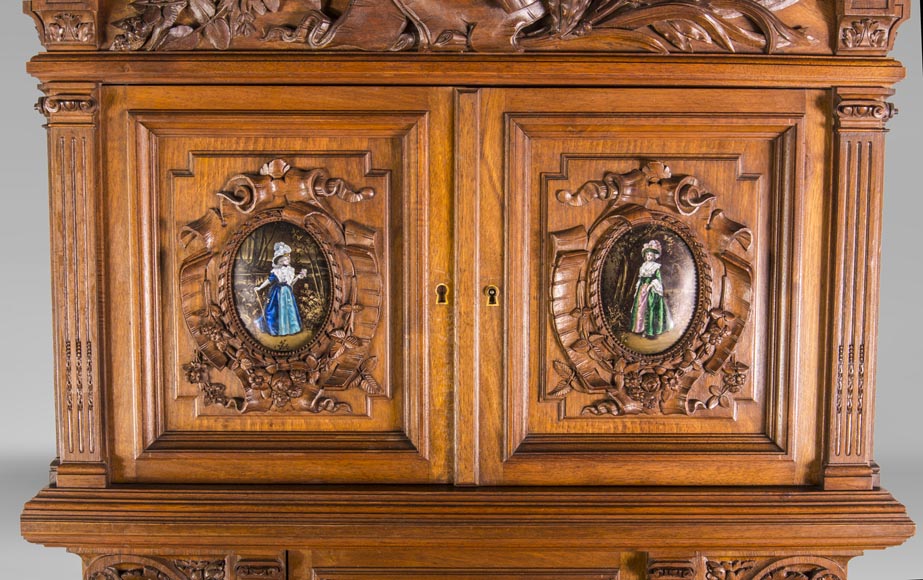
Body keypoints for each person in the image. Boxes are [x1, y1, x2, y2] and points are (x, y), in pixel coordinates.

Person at [255, 242, 308, 336]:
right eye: (285, 258)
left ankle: (289, 329)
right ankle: (277, 329)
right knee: (274, 310)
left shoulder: (290, 270)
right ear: (280, 260)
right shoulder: (276, 271)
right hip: (277, 293)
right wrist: (259, 287)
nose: (288, 260)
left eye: (288, 258)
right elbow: (269, 281)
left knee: (289, 310)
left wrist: (297, 277)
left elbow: (290, 284)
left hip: (287, 293)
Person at [630, 239, 674, 338]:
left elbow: (658, 279)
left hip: (651, 290)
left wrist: (650, 286)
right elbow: (640, 278)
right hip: (642, 290)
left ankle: (649, 330)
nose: (649, 257)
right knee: (640, 308)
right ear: (645, 256)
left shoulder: (656, 267)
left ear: (654, 256)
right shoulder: (643, 266)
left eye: (651, 255)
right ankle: (639, 328)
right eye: (647, 255)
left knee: (649, 308)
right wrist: (639, 287)